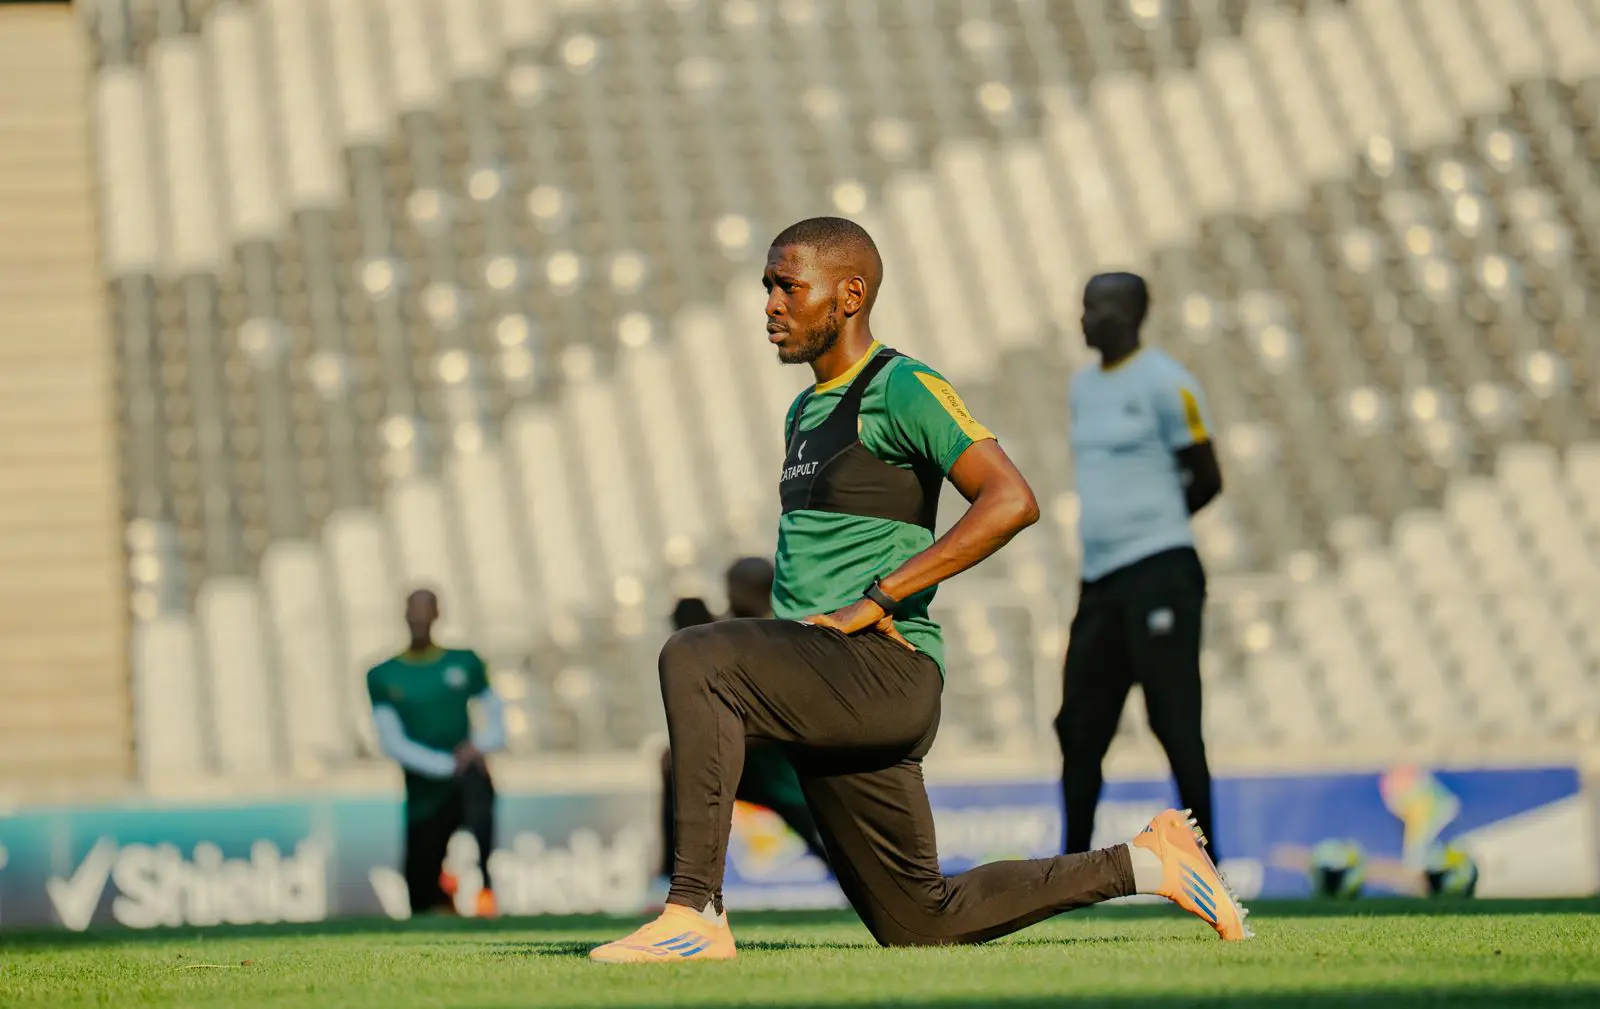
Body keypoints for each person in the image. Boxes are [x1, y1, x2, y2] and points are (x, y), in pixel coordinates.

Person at [590, 218, 1249, 964]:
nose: (770, 304)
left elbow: (1011, 500)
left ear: (850, 295)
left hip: (881, 672)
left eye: (788, 286)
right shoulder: (803, 410)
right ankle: (1150, 861)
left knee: (695, 656)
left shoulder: (902, 385)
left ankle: (694, 911)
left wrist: (879, 598)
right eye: (767, 286)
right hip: (826, 681)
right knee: (921, 919)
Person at [1055, 272, 1225, 862]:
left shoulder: (1166, 382)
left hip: (1160, 573)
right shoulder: (1081, 387)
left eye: (1093, 307)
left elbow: (1208, 478)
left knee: (1174, 721)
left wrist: (1154, 529)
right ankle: (1071, 868)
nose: (1083, 319)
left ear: (1129, 313)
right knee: (1078, 725)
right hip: (1099, 581)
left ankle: (1209, 866)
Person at [656, 560, 829, 895]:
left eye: (736, 587)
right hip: (739, 762)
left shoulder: (783, 636)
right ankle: (671, 879)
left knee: (827, 838)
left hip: (781, 769)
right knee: (674, 769)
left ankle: (863, 888)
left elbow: (780, 716)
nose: (730, 595)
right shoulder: (727, 630)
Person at [367, 588, 506, 918]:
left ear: (437, 614)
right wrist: (444, 765)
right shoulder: (383, 674)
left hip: (464, 778)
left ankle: (484, 890)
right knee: (419, 891)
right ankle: (442, 895)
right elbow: (392, 741)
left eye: (425, 609)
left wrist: (476, 748)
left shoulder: (465, 661)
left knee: (477, 788)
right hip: (424, 793)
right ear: (404, 614)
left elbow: (497, 719)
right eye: (413, 610)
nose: (418, 617)